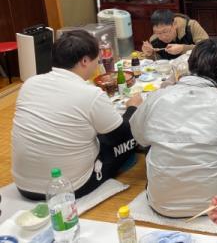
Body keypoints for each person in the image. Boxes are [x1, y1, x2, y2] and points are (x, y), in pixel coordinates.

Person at [130, 38, 217, 217]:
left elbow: (139, 137)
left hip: (162, 203)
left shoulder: (157, 97)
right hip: (216, 203)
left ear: (190, 63)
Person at [12, 30, 142, 199]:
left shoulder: (30, 83)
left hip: (24, 186)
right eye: (97, 59)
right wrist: (133, 108)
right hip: (71, 187)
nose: (97, 63)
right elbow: (121, 135)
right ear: (85, 61)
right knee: (130, 136)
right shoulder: (90, 94)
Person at [141, 9, 208, 60]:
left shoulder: (191, 26)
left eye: (165, 31)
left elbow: (207, 48)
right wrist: (150, 54)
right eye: (157, 33)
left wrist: (183, 48)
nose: (163, 37)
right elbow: (158, 63)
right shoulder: (154, 40)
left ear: (174, 24)